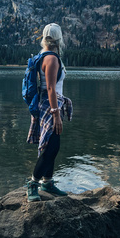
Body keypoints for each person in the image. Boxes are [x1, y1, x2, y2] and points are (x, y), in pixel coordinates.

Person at [26, 23, 73, 202]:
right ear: (59, 38)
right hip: (49, 106)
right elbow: (51, 88)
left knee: (52, 146)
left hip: (45, 104)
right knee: (50, 147)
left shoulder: (42, 56)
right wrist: (55, 114)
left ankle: (47, 182)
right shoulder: (52, 59)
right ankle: (33, 184)